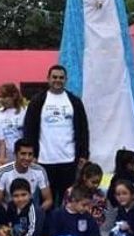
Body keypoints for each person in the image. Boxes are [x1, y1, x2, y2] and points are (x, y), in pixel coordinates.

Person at [23, 65, 89, 204]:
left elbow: (83, 130)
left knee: (69, 201)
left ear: (66, 80)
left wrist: (83, 154)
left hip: (69, 160)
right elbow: (29, 129)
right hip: (44, 160)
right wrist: (30, 154)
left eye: (61, 78)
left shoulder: (74, 102)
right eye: (54, 77)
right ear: (48, 79)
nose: (57, 80)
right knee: (47, 202)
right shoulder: (37, 101)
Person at [0, 138, 53, 211]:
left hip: (32, 211)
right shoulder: (2, 171)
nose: (27, 158)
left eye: (30, 154)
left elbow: (48, 200)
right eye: (23, 154)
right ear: (15, 154)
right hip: (9, 212)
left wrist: (37, 214)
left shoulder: (40, 171)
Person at [63, 162, 108, 235]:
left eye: (98, 182)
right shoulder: (70, 192)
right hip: (71, 227)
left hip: (92, 229)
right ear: (84, 177)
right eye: (93, 182)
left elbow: (101, 218)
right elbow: (65, 212)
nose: (96, 185)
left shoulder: (100, 195)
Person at [0, 83, 27, 165]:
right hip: (5, 158)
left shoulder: (25, 112)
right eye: (0, 97)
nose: (1, 100)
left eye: (4, 97)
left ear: (14, 96)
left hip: (22, 156)